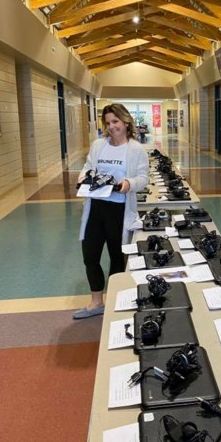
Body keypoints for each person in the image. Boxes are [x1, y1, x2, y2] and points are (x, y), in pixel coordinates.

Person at [72, 104, 150, 319]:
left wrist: (129, 182)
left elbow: (144, 178)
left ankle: (116, 301)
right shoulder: (99, 145)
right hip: (96, 208)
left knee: (117, 257)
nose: (111, 126)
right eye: (107, 123)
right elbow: (88, 166)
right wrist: (82, 177)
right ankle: (96, 302)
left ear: (126, 122)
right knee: (90, 255)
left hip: (119, 209)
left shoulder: (135, 149)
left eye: (115, 122)